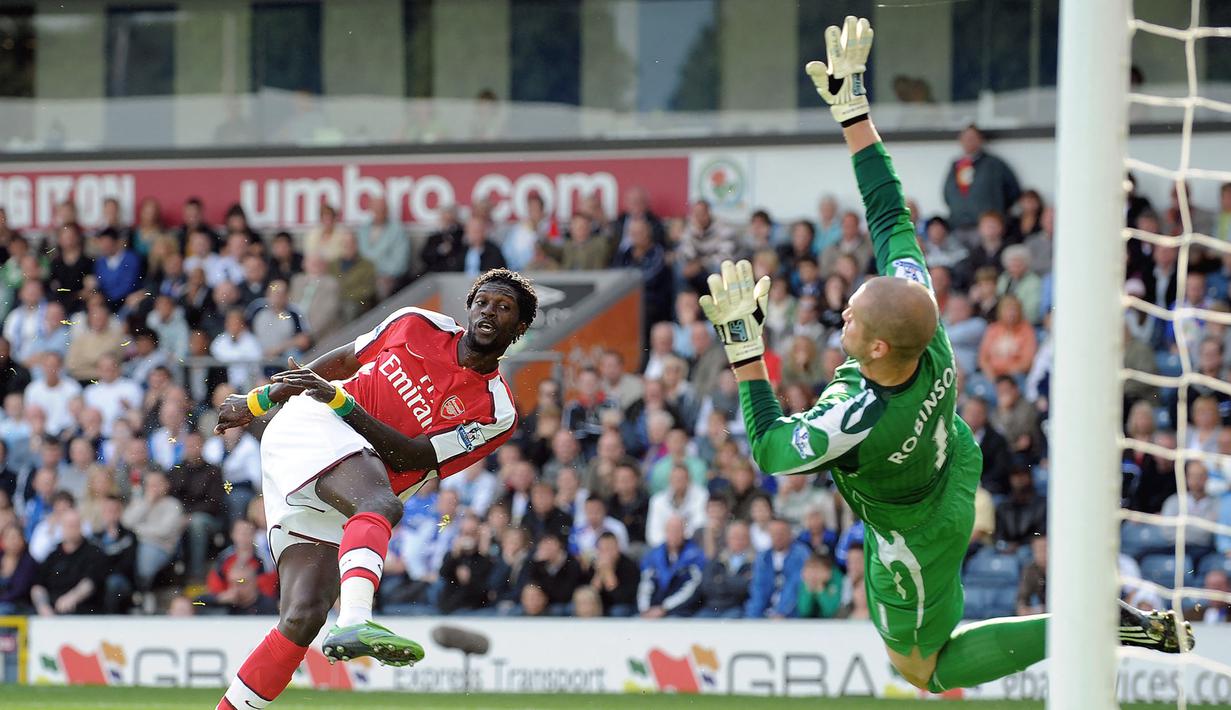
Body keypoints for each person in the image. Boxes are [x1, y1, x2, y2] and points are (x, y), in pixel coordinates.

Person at [699, 18, 1189, 693]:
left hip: (912, 529)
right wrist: (853, 114)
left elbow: (773, 453)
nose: (841, 309)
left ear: (874, 345)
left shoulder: (857, 412)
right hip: (945, 465)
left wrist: (745, 353)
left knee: (920, 672)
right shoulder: (918, 317)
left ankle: (1089, 624)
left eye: (851, 313)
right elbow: (890, 216)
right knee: (913, 655)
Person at [212, 269, 536, 708]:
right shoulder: (417, 324)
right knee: (380, 502)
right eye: (484, 302)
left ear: (519, 329)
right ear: (469, 306)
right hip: (314, 427)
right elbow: (342, 362)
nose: (489, 312)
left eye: (503, 309)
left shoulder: (495, 410)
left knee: (303, 616)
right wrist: (259, 400)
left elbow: (413, 456)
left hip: (345, 485)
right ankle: (357, 618)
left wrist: (343, 403)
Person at [636, 515, 704, 618]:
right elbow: (646, 584)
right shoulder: (653, 555)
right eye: (671, 530)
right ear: (665, 531)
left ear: (684, 532)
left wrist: (664, 608)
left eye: (677, 530)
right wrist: (644, 608)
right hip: (653, 610)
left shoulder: (695, 556)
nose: (674, 534)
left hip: (681, 611)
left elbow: (691, 588)